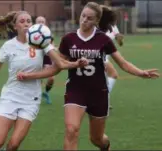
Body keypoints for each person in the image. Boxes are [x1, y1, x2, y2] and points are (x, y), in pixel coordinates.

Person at [17, 2, 159, 150]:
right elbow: (56, 67)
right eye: (83, 15)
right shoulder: (69, 39)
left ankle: (105, 146)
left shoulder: (103, 39)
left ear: (96, 21)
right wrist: (30, 75)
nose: (84, 20)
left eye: (89, 18)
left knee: (97, 139)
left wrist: (141, 73)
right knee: (71, 130)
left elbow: (122, 63)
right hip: (75, 91)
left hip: (98, 93)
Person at [0, 11, 88, 151]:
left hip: (30, 99)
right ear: (15, 26)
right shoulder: (8, 46)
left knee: (14, 145)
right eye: (22, 21)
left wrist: (76, 64)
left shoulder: (41, 42)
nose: (26, 24)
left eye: (29, 21)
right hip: (10, 96)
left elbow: (60, 64)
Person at [99, 5, 124, 109]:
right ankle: (101, 99)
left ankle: (103, 100)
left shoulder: (113, 27)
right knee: (113, 74)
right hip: (100, 56)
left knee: (104, 80)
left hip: (106, 56)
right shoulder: (99, 26)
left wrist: (120, 39)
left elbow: (119, 43)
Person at [35, 16, 55, 104]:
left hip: (46, 57)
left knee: (51, 78)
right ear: (35, 23)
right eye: (39, 21)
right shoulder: (32, 33)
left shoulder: (48, 33)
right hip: (36, 57)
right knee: (38, 78)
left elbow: (52, 45)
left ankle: (46, 93)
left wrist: (53, 49)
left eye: (42, 21)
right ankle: (36, 95)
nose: (41, 23)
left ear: (45, 23)